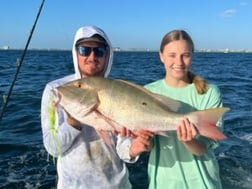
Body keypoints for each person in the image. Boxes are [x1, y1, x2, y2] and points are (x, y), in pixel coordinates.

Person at [41, 25, 152, 189]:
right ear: (75, 53)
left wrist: (134, 149)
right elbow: (52, 147)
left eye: (99, 51)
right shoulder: (56, 90)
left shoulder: (118, 91)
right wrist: (73, 123)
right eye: (85, 50)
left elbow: (122, 149)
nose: (92, 56)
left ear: (107, 55)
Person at [144, 30, 224, 189]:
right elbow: (149, 145)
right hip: (162, 183)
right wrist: (142, 141)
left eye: (185, 55)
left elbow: (206, 146)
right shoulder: (147, 92)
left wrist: (190, 140)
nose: (179, 62)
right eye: (172, 55)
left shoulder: (208, 92)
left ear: (192, 56)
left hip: (203, 183)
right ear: (161, 56)